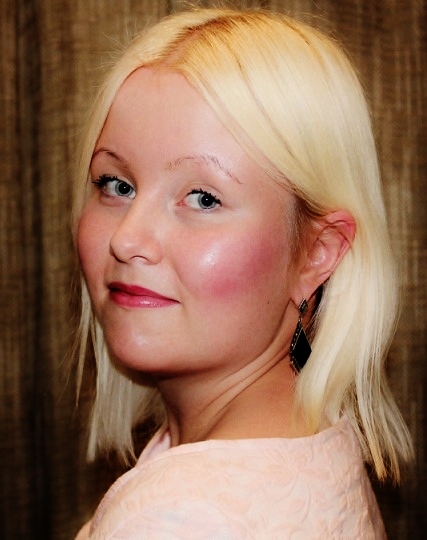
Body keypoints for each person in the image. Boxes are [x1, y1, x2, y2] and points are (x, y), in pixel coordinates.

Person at [73, 7, 413, 538]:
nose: (127, 239)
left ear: (317, 253)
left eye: (203, 198)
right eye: (116, 185)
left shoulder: (178, 521)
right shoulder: (314, 436)